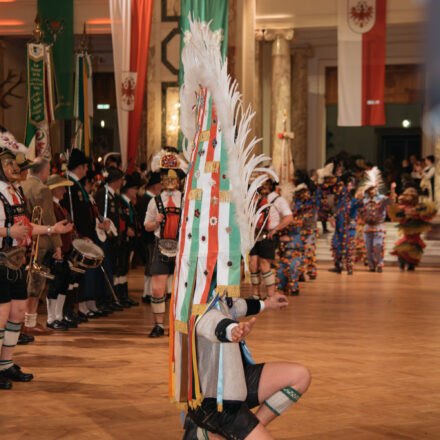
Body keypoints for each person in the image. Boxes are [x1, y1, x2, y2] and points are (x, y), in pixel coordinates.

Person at [173, 18, 311, 439]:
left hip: (238, 380)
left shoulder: (223, 281)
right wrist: (232, 330)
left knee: (300, 375)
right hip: (213, 400)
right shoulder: (193, 288)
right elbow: (203, 321)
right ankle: (214, 431)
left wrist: (266, 306)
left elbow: (232, 307)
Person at [0, 131, 72, 389]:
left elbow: (27, 225)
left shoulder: (16, 191)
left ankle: (6, 364)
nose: (15, 168)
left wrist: (54, 230)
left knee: (17, 313)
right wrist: (8, 232)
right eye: (9, 164)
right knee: (2, 316)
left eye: (14, 164)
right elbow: (14, 228)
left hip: (16, 262)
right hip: (0, 262)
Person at [21, 157, 63, 336]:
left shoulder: (21, 186)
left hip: (23, 239)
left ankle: (22, 320)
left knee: (25, 281)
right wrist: (58, 245)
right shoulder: (43, 189)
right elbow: (49, 218)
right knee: (36, 283)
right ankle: (29, 321)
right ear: (44, 171)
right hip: (40, 241)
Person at [145, 150, 184, 338]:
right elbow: (146, 226)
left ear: (178, 180)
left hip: (181, 247)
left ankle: (177, 324)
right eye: (165, 178)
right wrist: (157, 221)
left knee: (180, 288)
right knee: (157, 288)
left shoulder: (186, 199)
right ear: (160, 179)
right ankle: (159, 325)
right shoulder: (155, 201)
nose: (169, 182)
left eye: (173, 178)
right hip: (160, 245)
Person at [45, 174, 82, 330]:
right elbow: (53, 229)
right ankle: (51, 318)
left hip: (66, 249)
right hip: (56, 250)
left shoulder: (61, 206)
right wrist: (57, 247)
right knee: (55, 285)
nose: (64, 191)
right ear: (53, 189)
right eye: (61, 188)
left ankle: (59, 315)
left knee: (63, 284)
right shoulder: (51, 207)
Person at [249, 177, 293, 299]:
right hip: (254, 235)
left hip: (268, 235)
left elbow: (289, 217)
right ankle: (255, 294)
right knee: (253, 263)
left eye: (266, 185)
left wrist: (275, 229)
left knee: (264, 264)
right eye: (261, 185)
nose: (263, 188)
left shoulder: (278, 200)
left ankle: (270, 295)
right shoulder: (255, 199)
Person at [94, 167, 125, 310]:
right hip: (104, 237)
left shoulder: (113, 195)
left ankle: (110, 297)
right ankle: (103, 299)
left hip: (112, 237)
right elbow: (100, 214)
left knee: (112, 266)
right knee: (106, 268)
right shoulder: (103, 194)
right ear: (116, 181)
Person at [388, 187, 437, 270]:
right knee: (406, 245)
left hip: (416, 230)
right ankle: (402, 262)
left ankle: (411, 264)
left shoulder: (419, 207)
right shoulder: (403, 207)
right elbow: (397, 215)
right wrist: (406, 213)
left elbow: (430, 211)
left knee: (414, 247)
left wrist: (416, 211)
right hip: (408, 229)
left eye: (413, 196)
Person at [358, 168, 396, 273]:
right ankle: (371, 265)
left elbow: (391, 202)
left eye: (373, 189)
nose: (371, 191)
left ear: (376, 188)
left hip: (378, 226)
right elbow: (359, 211)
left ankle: (379, 263)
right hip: (367, 227)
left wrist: (392, 190)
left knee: (378, 245)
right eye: (369, 189)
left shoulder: (381, 199)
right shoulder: (364, 201)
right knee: (368, 247)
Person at [316, 163, 349, 274]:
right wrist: (327, 215)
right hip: (334, 215)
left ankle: (342, 263)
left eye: (328, 178)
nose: (327, 181)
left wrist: (333, 216)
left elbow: (341, 203)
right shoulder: (324, 188)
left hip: (341, 217)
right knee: (336, 241)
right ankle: (338, 263)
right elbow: (320, 201)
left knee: (341, 239)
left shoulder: (340, 187)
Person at [136, 171, 162, 304]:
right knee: (150, 266)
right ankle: (147, 292)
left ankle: (149, 292)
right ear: (154, 186)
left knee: (151, 266)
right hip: (148, 238)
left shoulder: (148, 199)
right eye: (160, 184)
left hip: (150, 237)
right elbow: (144, 221)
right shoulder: (146, 200)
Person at [117, 173, 140, 307]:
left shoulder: (129, 203)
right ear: (128, 189)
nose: (136, 192)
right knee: (120, 267)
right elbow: (119, 219)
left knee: (125, 267)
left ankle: (124, 295)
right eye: (135, 189)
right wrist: (125, 230)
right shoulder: (121, 202)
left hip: (129, 240)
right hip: (122, 239)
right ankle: (119, 295)